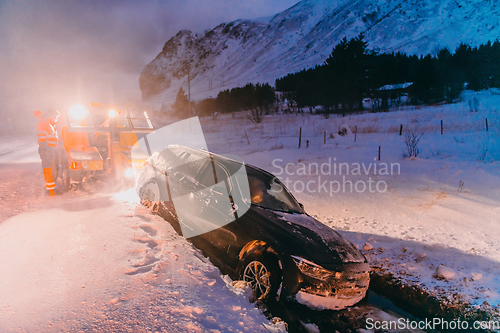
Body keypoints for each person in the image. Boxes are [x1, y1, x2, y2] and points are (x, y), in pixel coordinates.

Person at [35, 108, 60, 196]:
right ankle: (50, 190)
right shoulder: (43, 123)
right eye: (55, 116)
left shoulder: (50, 124)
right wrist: (46, 148)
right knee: (48, 169)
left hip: (50, 148)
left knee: (52, 168)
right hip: (47, 148)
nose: (56, 118)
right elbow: (42, 137)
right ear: (51, 115)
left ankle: (50, 188)